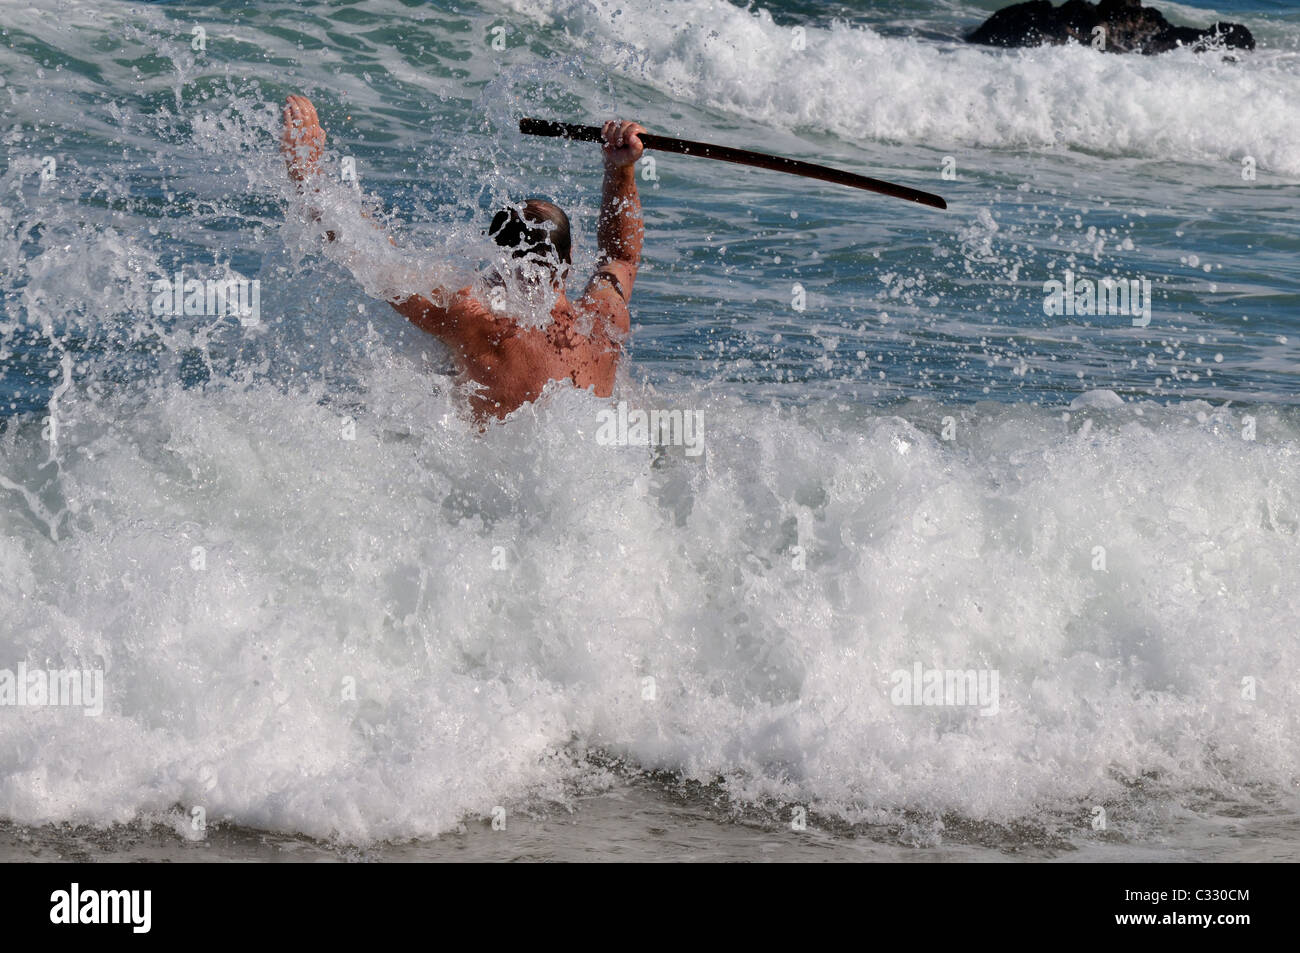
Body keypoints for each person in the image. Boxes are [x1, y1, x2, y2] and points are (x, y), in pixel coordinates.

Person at [281, 95, 645, 420]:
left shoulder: (472, 320)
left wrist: (309, 178)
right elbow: (621, 257)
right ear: (567, 260)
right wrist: (621, 169)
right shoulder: (603, 322)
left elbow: (370, 259)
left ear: (499, 258)